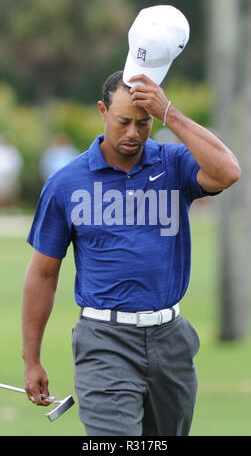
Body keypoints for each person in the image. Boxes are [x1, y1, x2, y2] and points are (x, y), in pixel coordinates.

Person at [22, 70, 241, 436]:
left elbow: (228, 172)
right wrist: (32, 360)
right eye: (124, 121)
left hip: (171, 340)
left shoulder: (173, 164)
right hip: (104, 341)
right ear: (102, 112)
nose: (133, 133)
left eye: (144, 122)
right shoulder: (65, 184)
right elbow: (43, 274)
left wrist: (169, 112)